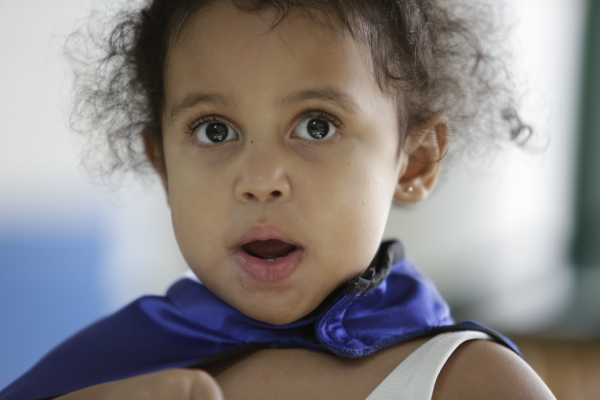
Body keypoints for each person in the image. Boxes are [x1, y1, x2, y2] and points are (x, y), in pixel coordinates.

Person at [0, 0, 555, 399]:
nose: (261, 179)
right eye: (215, 131)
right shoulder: (102, 376)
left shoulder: (471, 383)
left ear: (414, 161)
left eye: (316, 126)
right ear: (163, 165)